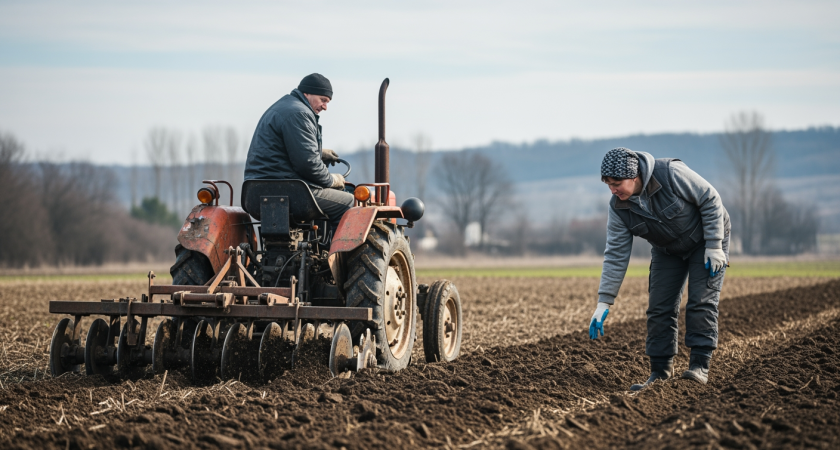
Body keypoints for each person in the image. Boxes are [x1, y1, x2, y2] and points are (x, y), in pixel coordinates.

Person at [589, 147, 730, 391]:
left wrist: (715, 245)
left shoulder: (670, 173)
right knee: (659, 307)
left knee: (700, 301)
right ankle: (660, 372)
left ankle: (699, 366)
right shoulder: (618, 208)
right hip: (667, 250)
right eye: (608, 184)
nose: (612, 189)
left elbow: (710, 198)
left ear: (634, 177)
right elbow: (615, 254)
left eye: (617, 183)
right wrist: (604, 302)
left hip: (705, 242)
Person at [244, 73, 354, 231]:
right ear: (307, 93)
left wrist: (318, 152)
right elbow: (307, 164)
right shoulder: (299, 113)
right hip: (288, 191)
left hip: (256, 192)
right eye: (323, 100)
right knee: (349, 201)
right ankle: (337, 254)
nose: (325, 107)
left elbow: (281, 149)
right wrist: (331, 180)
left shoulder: (284, 106)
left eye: (327, 102)